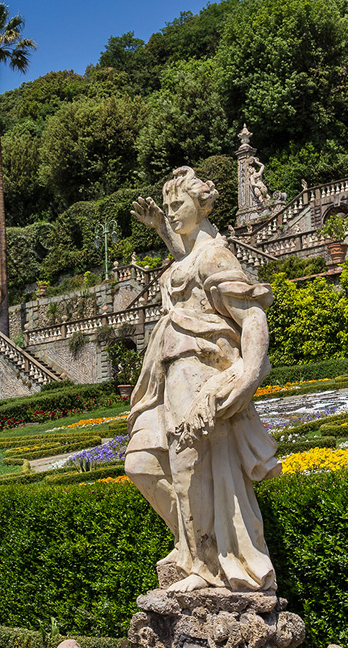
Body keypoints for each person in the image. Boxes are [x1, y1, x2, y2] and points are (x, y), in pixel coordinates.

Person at [127, 166, 280, 594]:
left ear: (203, 204)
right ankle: (195, 547)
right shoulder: (191, 252)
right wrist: (160, 228)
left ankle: (206, 565)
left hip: (198, 370)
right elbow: (184, 257)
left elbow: (252, 316)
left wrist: (247, 373)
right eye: (169, 206)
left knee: (189, 468)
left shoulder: (215, 253)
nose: (172, 212)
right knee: (140, 463)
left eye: (179, 205)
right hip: (166, 374)